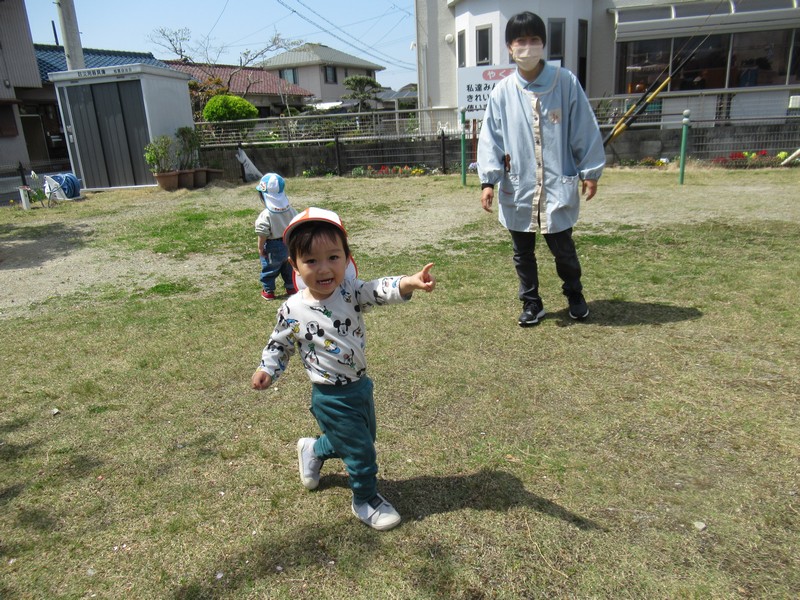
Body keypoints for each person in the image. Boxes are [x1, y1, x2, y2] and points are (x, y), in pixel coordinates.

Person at [251, 207, 436, 531]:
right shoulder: (292, 309)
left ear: (347, 258)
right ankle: (365, 499)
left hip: (360, 387)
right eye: (311, 261)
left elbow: (379, 289)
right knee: (361, 451)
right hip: (330, 397)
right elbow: (279, 343)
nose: (324, 268)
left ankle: (313, 449)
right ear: (294, 264)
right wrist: (267, 368)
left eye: (333, 257)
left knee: (358, 438)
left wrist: (409, 283)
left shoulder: (351, 292)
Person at [477, 11, 605, 327]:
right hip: (518, 185)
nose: (527, 46)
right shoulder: (502, 92)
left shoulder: (565, 82)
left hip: (556, 184)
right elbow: (491, 138)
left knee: (564, 250)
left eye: (534, 39)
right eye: (520, 40)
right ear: (510, 47)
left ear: (543, 44)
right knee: (522, 253)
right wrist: (488, 181)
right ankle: (532, 303)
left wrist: (590, 171)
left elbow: (583, 128)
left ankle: (575, 295)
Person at [255, 173, 298, 300]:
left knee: (270, 268)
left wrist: (260, 247)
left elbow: (262, 232)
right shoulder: (291, 210)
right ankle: (291, 287)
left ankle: (268, 291)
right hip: (289, 243)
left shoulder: (266, 214)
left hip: (272, 246)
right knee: (289, 267)